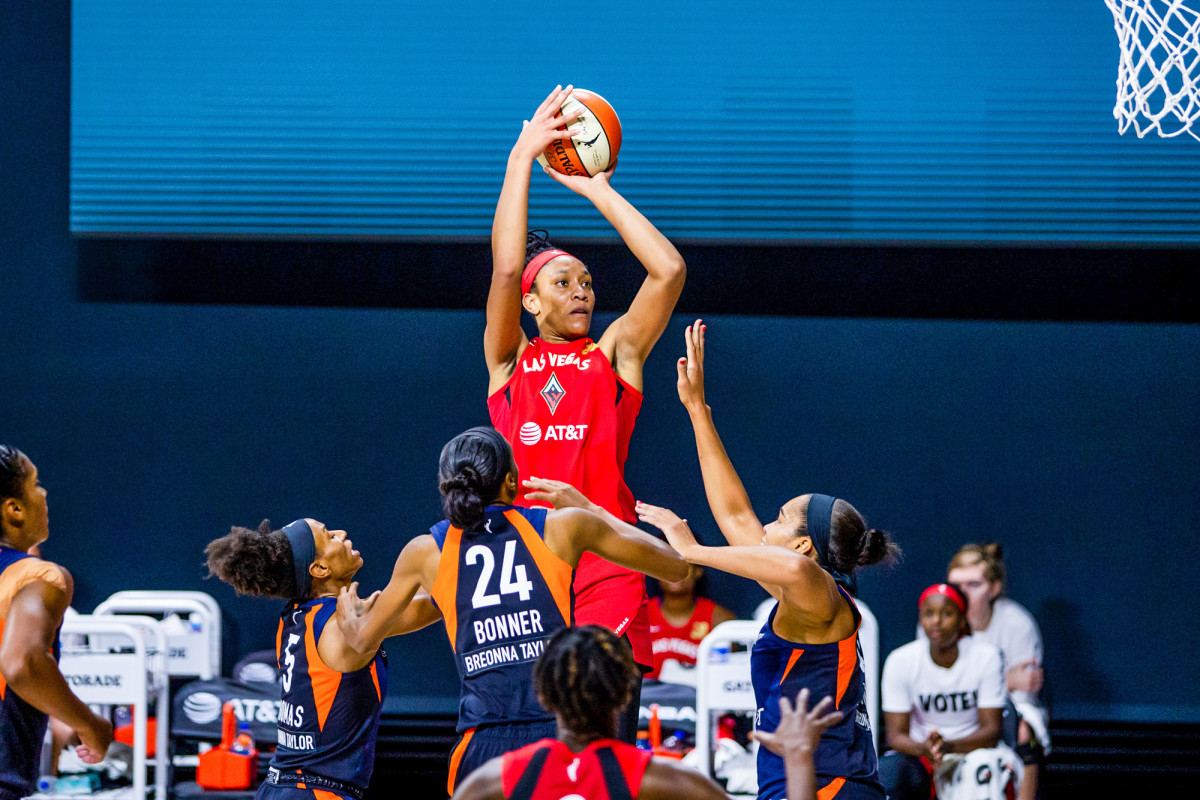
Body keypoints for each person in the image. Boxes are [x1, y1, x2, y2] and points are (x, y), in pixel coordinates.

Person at [484, 84, 687, 735]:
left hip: (608, 564)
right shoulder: (510, 363)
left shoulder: (614, 356)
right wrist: (521, 161)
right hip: (529, 568)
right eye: (562, 283)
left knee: (606, 747)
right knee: (534, 750)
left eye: (587, 282)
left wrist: (593, 188)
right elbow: (507, 268)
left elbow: (668, 271)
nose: (581, 291)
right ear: (532, 303)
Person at [334, 426, 689, 796]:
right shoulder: (562, 526)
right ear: (511, 481)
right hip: (557, 735)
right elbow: (676, 566)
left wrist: (350, 610)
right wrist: (593, 509)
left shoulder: (426, 551)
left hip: (482, 744)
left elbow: (363, 639)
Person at [635, 322, 897, 800]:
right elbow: (735, 514)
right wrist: (697, 410)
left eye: (779, 519)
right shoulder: (799, 596)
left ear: (803, 545)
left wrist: (691, 551)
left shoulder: (820, 592)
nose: (765, 529)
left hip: (829, 788)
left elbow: (792, 568)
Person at [450, 625, 843, 800]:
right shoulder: (664, 782)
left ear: (544, 696)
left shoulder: (491, 784)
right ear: (625, 694)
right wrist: (798, 759)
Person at [204, 517, 440, 800]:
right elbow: (437, 602)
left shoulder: (293, 620)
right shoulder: (342, 627)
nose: (342, 532)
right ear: (319, 568)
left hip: (279, 787)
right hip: (316, 791)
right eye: (329, 536)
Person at [0, 446, 113, 800]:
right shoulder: (37, 575)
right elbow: (22, 662)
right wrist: (90, 724)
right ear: (14, 508)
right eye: (36, 484)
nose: (44, 494)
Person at [880, 583, 1020, 800]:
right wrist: (925, 748)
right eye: (929, 614)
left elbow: (992, 731)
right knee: (891, 771)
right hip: (920, 754)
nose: (936, 621)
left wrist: (949, 746)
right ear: (920, 619)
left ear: (962, 619)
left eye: (946, 614)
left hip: (973, 751)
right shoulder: (900, 661)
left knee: (983, 767)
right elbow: (896, 736)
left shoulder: (986, 657)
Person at [946, 544, 1046, 800]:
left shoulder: (1018, 624)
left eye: (974, 584)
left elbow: (1025, 696)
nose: (963, 593)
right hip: (949, 708)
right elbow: (936, 683)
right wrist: (1008, 679)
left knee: (1023, 729)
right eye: (957, 585)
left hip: (1006, 710)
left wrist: (1003, 687)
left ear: (994, 588)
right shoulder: (937, 621)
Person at [647, 565, 735, 680]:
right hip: (647, 695)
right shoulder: (639, 615)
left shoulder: (720, 619)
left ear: (697, 572)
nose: (674, 573)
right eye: (667, 565)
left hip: (700, 695)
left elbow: (727, 676)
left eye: (682, 565)